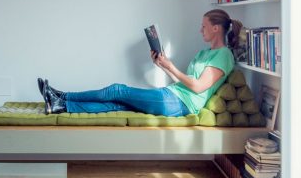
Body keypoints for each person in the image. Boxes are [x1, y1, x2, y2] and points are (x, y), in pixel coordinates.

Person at [39, 10, 242, 116]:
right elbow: (186, 82)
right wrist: (162, 65)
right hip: (175, 95)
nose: (201, 30)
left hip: (179, 103)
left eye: (204, 26)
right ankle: (59, 106)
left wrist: (170, 66)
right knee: (116, 104)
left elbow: (198, 87)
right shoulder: (203, 53)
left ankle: (62, 96)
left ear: (216, 28)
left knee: (117, 90)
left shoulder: (223, 55)